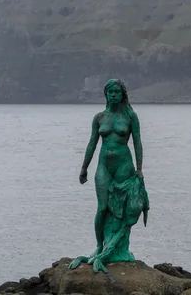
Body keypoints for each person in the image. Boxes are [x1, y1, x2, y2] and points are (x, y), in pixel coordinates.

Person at [68, 79, 149, 274]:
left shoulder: (130, 117)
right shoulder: (99, 118)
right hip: (104, 165)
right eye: (110, 92)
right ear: (106, 94)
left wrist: (139, 169)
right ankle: (99, 245)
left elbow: (137, 142)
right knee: (103, 207)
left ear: (122, 94)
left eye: (117, 92)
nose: (113, 95)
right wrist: (84, 168)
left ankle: (118, 248)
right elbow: (91, 144)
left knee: (122, 208)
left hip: (124, 165)